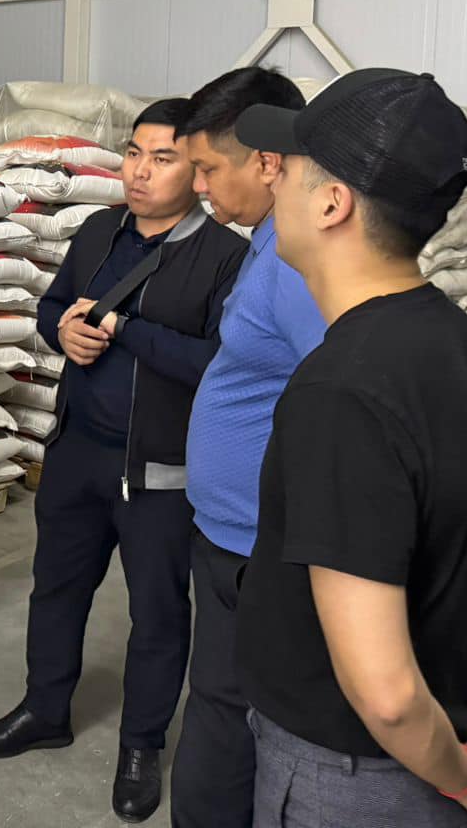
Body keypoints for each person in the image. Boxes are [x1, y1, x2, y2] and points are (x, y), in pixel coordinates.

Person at [233, 68, 467, 828]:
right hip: (441, 736)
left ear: (332, 203)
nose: (271, 179)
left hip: (351, 780)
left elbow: (389, 698)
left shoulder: (340, 392)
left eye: (286, 165)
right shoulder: (459, 344)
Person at [0, 98, 246, 825]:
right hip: (76, 455)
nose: (141, 172)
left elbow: (218, 363)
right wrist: (61, 332)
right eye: (133, 154)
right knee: (56, 590)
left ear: (198, 170)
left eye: (163, 159)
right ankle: (44, 709)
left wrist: (125, 328)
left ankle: (141, 746)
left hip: (159, 476)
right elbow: (53, 306)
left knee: (158, 615)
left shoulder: (225, 256)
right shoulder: (98, 230)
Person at [168, 68, 326, 828]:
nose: (198, 187)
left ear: (266, 161)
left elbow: (341, 401)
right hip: (233, 535)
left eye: (206, 169)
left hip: (263, 547)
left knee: (232, 717)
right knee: (223, 705)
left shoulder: (298, 269)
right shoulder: (267, 245)